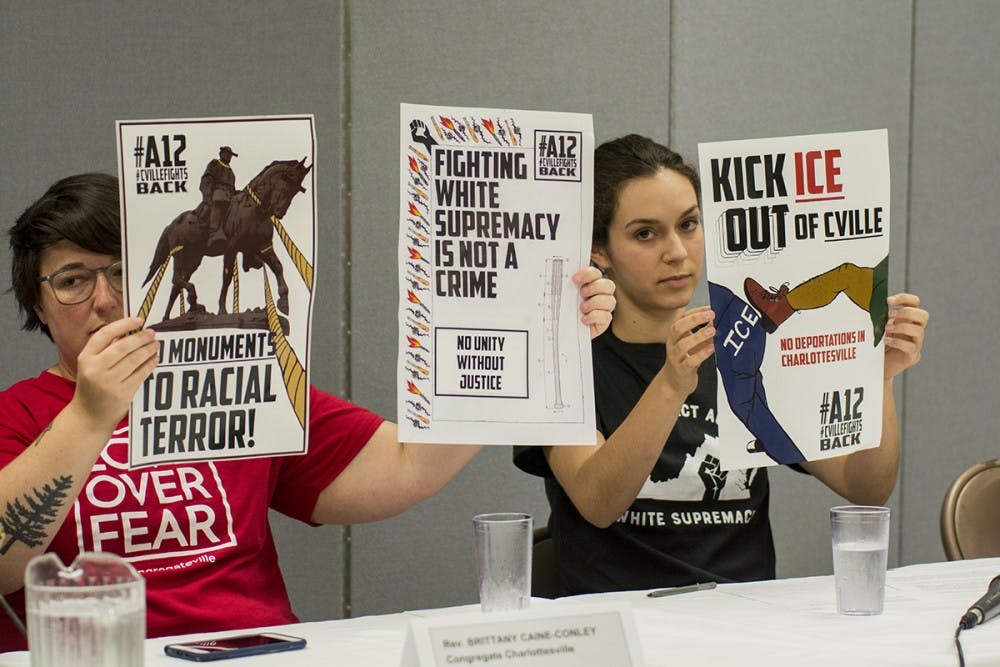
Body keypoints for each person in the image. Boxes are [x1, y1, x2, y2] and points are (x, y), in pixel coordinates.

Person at [0, 172, 616, 650]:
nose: (105, 300)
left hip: (261, 652)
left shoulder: (238, 380)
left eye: (119, 270)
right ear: (39, 301)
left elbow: (404, 467)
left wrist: (539, 344)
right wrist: (88, 414)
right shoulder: (18, 415)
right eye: (73, 281)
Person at [514, 134, 928, 595]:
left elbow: (864, 487)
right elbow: (598, 502)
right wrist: (671, 384)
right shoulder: (559, 361)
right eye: (645, 234)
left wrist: (880, 377)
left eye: (688, 224)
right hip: (622, 629)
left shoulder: (746, 344)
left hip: (744, 626)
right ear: (599, 250)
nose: (676, 251)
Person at [199, 146, 238, 233]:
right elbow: (207, 179)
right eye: (227, 154)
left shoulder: (231, 172)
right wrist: (208, 195)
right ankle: (214, 231)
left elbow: (232, 188)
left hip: (229, 195)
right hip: (217, 192)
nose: (229, 156)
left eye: (230, 155)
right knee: (220, 200)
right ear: (221, 154)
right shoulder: (215, 164)